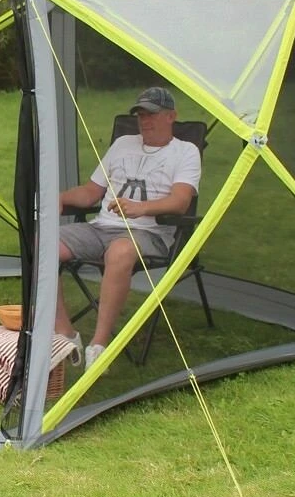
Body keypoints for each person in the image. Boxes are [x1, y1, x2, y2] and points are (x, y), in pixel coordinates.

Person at [54, 87, 202, 369]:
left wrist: (141, 208)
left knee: (120, 251)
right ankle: (66, 334)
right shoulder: (123, 144)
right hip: (101, 227)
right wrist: (60, 197)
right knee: (43, 244)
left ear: (171, 116)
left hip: (149, 233)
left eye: (152, 114)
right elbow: (90, 193)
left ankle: (99, 346)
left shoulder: (186, 151)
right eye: (141, 115)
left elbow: (180, 202)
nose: (145, 121)